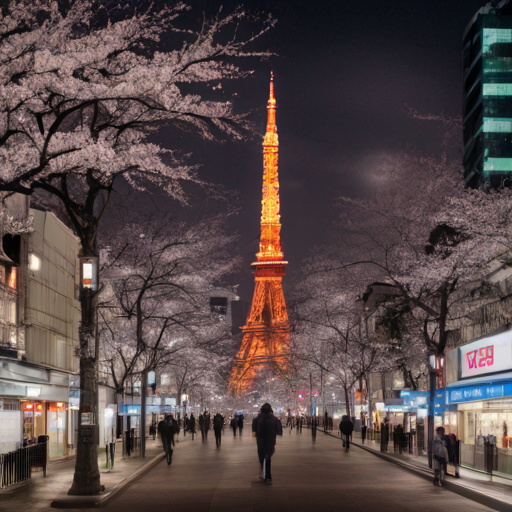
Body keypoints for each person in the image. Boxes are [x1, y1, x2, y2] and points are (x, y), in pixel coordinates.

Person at [252, 403, 283, 482]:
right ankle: (268, 475)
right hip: (270, 441)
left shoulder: (258, 419)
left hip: (261, 441)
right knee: (268, 457)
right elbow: (279, 430)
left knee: (262, 456)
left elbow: (254, 428)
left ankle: (263, 472)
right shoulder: (274, 419)